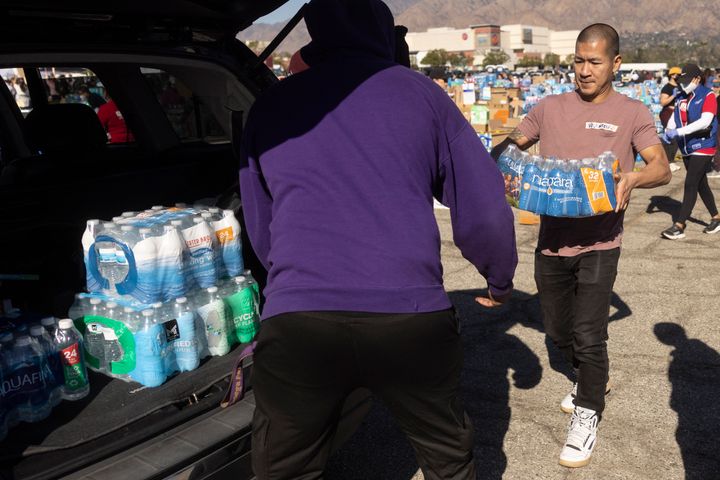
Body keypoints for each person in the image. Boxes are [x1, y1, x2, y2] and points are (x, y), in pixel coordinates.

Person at [238, 0, 518, 478]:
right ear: (384, 31)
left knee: (284, 467)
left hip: (300, 321)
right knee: (448, 458)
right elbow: (484, 202)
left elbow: (260, 222)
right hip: (408, 319)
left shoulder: (272, 105)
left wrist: (289, 283)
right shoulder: (421, 96)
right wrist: (498, 277)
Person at [491, 23, 670, 468]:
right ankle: (594, 378)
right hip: (551, 243)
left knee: (590, 335)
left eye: (594, 61)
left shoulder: (632, 112)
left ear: (615, 64)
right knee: (558, 331)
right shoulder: (549, 107)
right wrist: (503, 161)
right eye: (578, 60)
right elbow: (510, 148)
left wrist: (632, 177)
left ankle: (587, 413)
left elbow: (661, 168)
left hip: (601, 242)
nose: (584, 70)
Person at [661, 64, 720, 239]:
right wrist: (668, 131)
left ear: (697, 79)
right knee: (701, 184)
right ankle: (716, 218)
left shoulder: (708, 95)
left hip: (704, 144)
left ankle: (679, 225)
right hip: (686, 146)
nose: (683, 84)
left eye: (687, 81)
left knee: (690, 183)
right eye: (681, 81)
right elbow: (674, 117)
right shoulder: (680, 96)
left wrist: (678, 132)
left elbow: (705, 121)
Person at [660, 67, 682, 170]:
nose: (677, 76)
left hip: (678, 112)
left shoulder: (681, 86)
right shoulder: (667, 87)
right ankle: (667, 161)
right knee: (670, 137)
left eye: (679, 74)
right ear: (671, 75)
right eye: (676, 74)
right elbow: (663, 102)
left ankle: (671, 160)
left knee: (677, 137)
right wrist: (673, 96)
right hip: (668, 113)